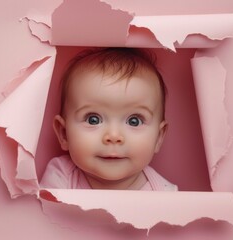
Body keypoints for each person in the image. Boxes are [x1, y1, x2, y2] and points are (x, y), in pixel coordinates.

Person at [40, 48, 177, 191]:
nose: (113, 136)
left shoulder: (164, 194)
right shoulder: (60, 178)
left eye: (134, 121)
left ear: (159, 137)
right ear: (63, 133)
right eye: (93, 119)